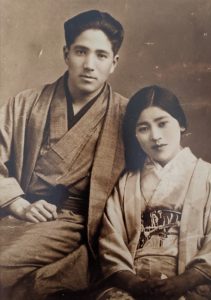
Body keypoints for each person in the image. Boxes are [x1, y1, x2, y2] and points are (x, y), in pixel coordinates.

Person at [0, 10, 127, 300]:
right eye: (81, 51)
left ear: (114, 63)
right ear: (65, 53)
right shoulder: (26, 103)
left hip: (76, 222)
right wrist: (17, 203)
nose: (89, 65)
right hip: (18, 210)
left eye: (101, 55)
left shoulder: (127, 115)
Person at [98, 86, 211, 300]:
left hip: (192, 284)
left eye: (162, 124)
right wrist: (134, 284)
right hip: (134, 286)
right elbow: (111, 242)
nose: (155, 136)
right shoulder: (127, 183)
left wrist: (184, 281)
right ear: (135, 134)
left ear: (181, 124)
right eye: (143, 128)